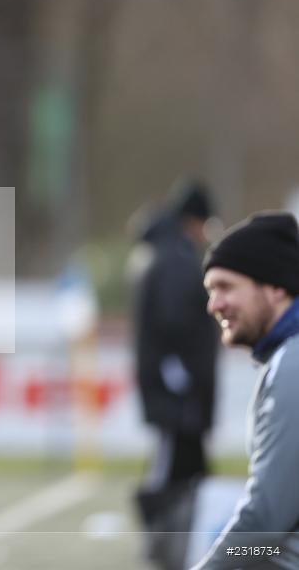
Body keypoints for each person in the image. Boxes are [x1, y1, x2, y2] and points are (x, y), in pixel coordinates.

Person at [192, 211, 299, 569]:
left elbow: (265, 525)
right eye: (210, 290)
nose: (214, 304)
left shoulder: (293, 362)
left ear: (276, 287)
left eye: (225, 287)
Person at [129, 182, 220, 567]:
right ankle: (164, 547)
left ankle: (175, 545)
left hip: (174, 387)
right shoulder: (175, 258)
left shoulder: (159, 253)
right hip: (179, 391)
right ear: (194, 221)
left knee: (181, 468)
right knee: (173, 473)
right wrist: (180, 375)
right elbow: (173, 322)